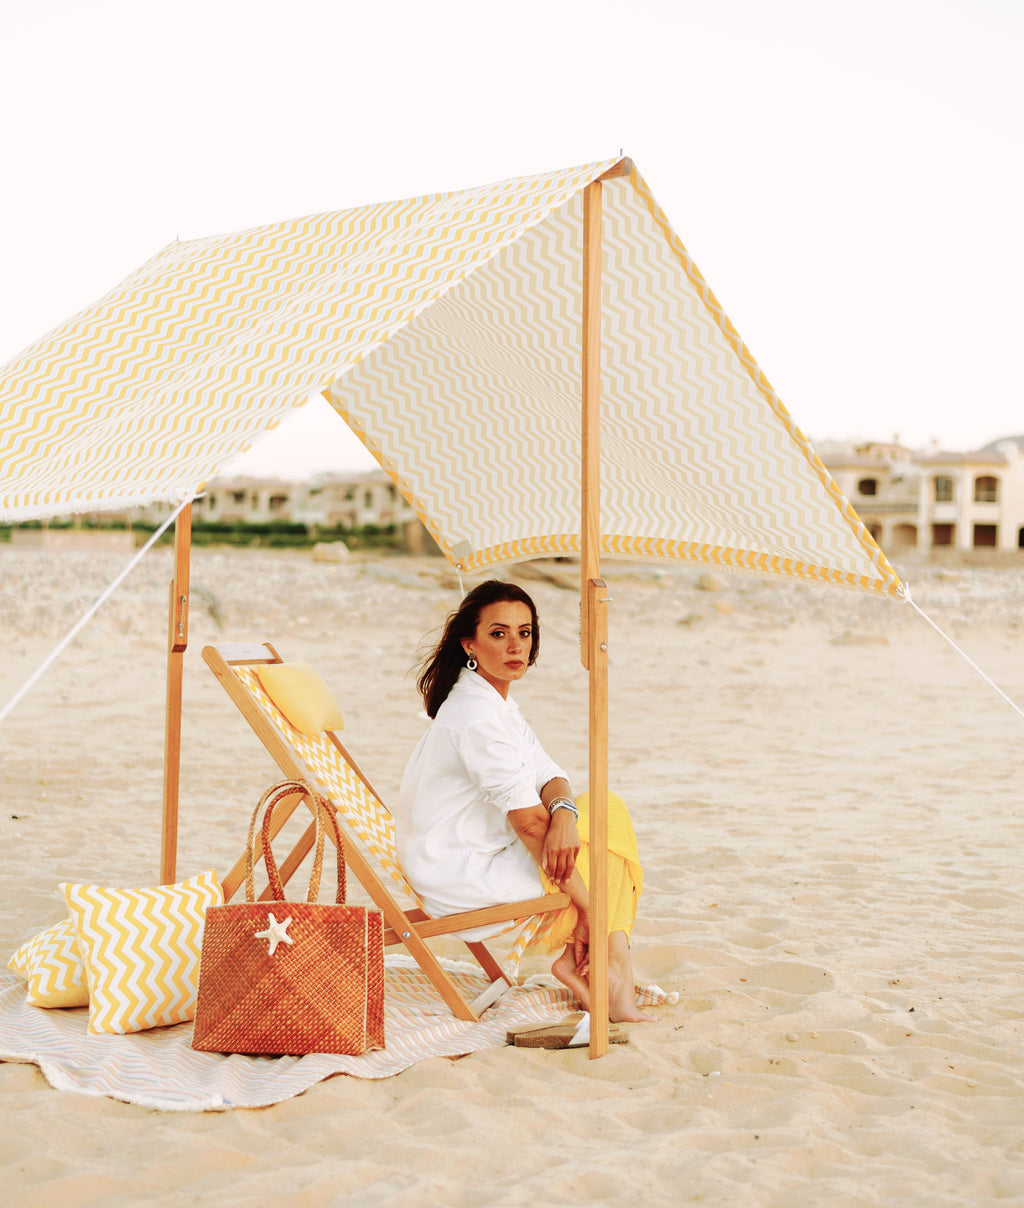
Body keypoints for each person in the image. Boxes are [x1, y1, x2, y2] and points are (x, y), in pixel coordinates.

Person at [393, 579, 653, 1024]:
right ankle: (610, 971)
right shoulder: (476, 716)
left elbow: (550, 775)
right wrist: (590, 910)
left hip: (482, 850)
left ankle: (603, 966)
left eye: (525, 632)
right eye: (498, 633)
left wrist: (566, 813)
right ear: (469, 643)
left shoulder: (494, 703)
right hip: (462, 875)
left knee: (603, 811)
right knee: (604, 846)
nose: (515, 645)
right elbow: (531, 825)